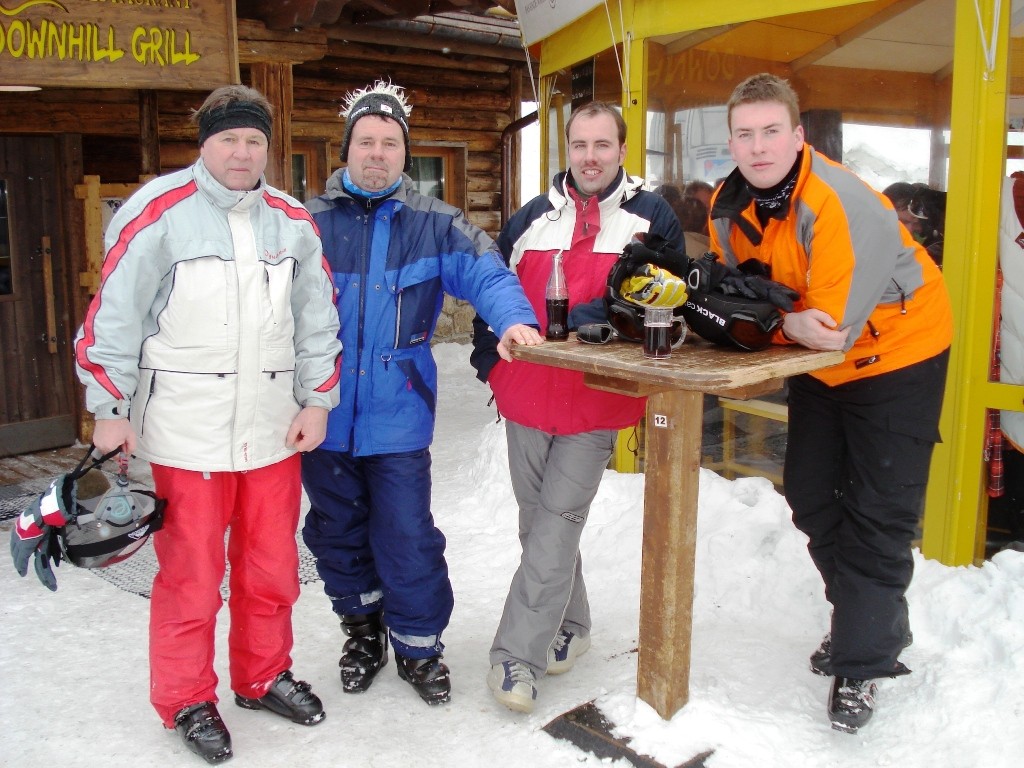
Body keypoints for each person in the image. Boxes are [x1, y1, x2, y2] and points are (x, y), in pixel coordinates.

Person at [74, 85, 343, 764]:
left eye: (254, 140)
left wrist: (317, 400)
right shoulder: (158, 213)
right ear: (204, 144)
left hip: (273, 430)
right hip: (185, 432)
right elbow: (114, 316)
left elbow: (319, 321)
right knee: (190, 575)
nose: (242, 152)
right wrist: (108, 408)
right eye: (229, 139)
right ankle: (187, 697)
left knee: (272, 566)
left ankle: (261, 675)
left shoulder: (291, 222)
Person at [708, 73, 953, 734]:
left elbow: (829, 327)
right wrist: (763, 314)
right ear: (730, 139)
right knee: (811, 492)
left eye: (770, 131)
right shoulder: (727, 208)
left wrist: (765, 316)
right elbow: (739, 301)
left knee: (880, 510)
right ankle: (869, 620)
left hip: (901, 351)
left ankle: (861, 662)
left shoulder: (838, 201)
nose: (757, 147)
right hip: (821, 366)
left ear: (797, 135)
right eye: (744, 133)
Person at [300, 80, 542, 707]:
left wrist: (514, 318)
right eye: (365, 141)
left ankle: (418, 643)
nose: (376, 153)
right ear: (346, 149)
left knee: (406, 532)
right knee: (336, 529)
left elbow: (487, 271)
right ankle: (361, 632)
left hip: (399, 410)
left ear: (405, 154)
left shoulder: (438, 224)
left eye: (389, 143)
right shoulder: (305, 224)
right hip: (322, 409)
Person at [470, 100, 683, 713]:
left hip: (596, 406)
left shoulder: (651, 217)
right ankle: (575, 624)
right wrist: (490, 364)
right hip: (526, 398)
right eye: (580, 145)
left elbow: (667, 305)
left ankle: (515, 656)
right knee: (539, 527)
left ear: (621, 149)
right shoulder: (534, 218)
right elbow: (493, 291)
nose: (591, 158)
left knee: (555, 524)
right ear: (568, 149)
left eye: (603, 145)